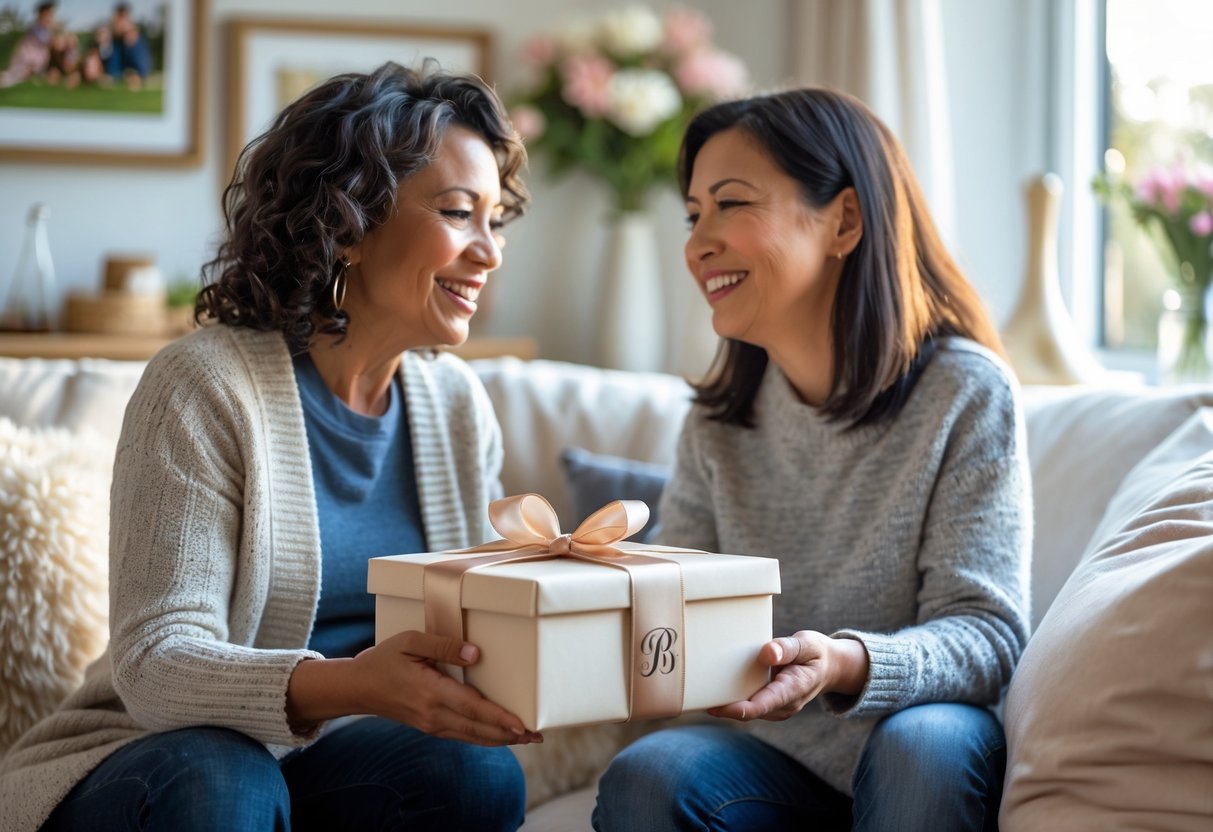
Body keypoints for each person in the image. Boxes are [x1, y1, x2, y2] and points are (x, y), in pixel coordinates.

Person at [0, 61, 539, 832]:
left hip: (327, 769)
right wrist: (356, 684)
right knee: (225, 778)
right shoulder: (204, 385)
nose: (488, 251)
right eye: (458, 213)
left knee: (475, 775)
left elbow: (476, 628)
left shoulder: (455, 405)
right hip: (152, 762)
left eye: (495, 220)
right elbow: (156, 665)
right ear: (351, 224)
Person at [593, 88, 1032, 831]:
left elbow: (986, 635)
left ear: (845, 221)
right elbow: (675, 622)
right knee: (651, 775)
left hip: (914, 743)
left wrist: (844, 664)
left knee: (921, 747)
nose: (697, 243)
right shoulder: (718, 421)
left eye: (731, 204)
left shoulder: (965, 391)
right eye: (694, 213)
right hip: (766, 760)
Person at [0, 2, 55, 88]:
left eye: (51, 15)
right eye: (48, 15)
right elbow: (50, 42)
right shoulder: (36, 29)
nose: (51, 18)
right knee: (11, 78)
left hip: (33, 67)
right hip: (25, 62)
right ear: (41, 15)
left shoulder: (47, 31)